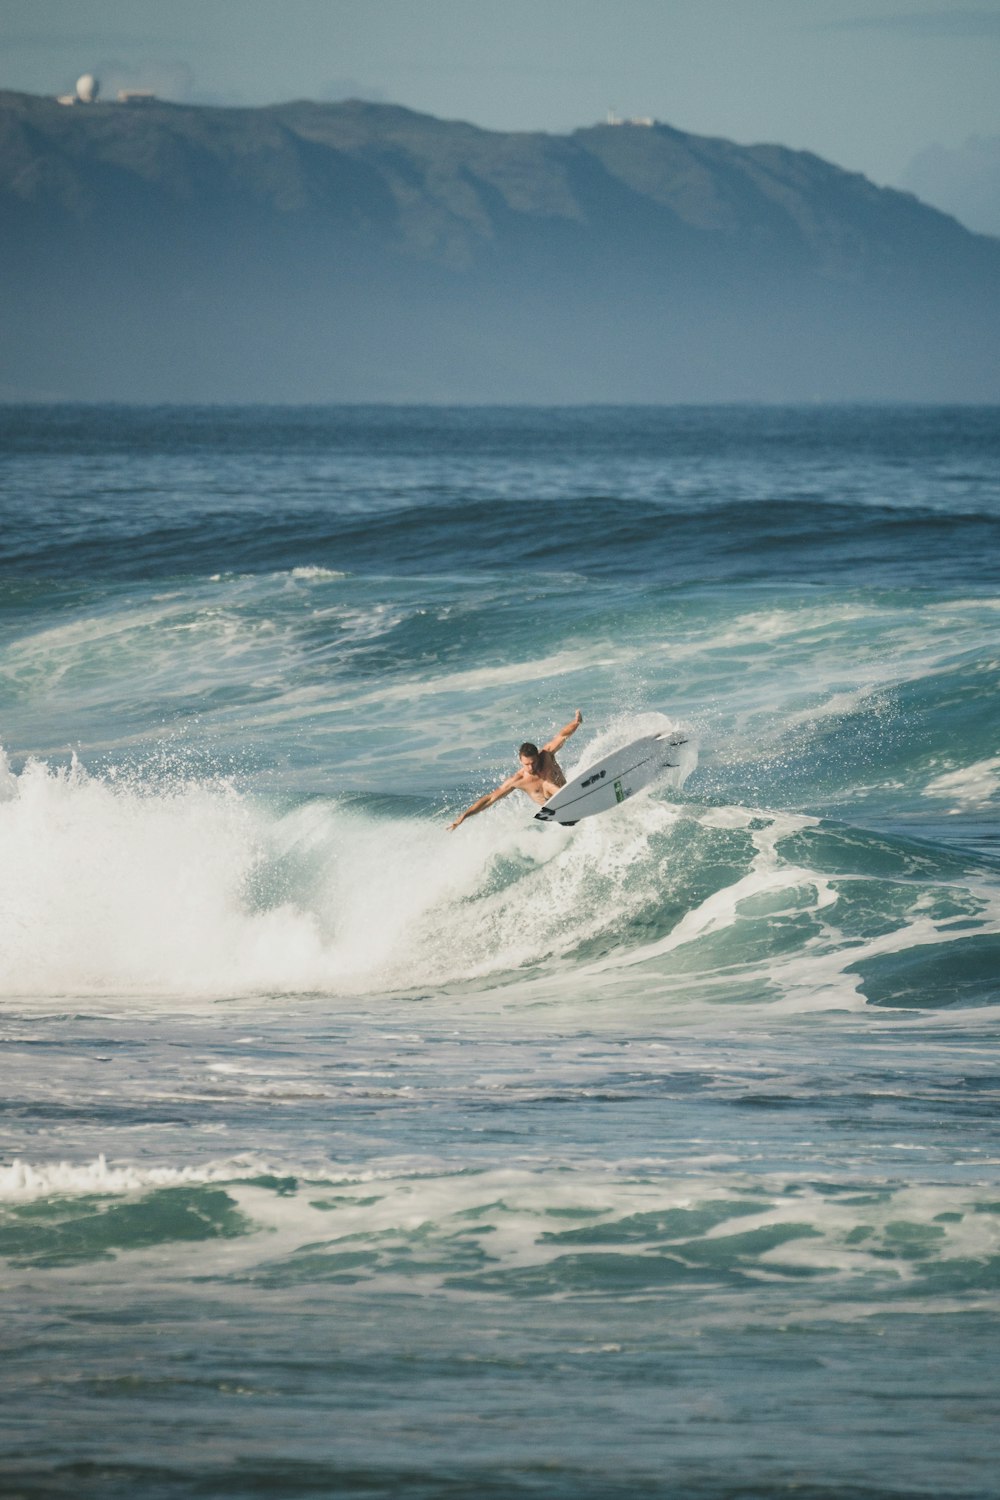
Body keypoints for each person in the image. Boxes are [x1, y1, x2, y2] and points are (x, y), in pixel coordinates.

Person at [447, 710, 583, 830]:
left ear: (538, 757)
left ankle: (572, 797)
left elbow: (562, 736)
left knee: (547, 781)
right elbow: (489, 799)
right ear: (520, 761)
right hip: (559, 814)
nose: (531, 767)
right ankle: (570, 798)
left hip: (570, 801)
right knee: (546, 784)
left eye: (534, 763)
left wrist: (576, 723)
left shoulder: (546, 755)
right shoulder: (518, 780)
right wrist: (464, 816)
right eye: (526, 764)